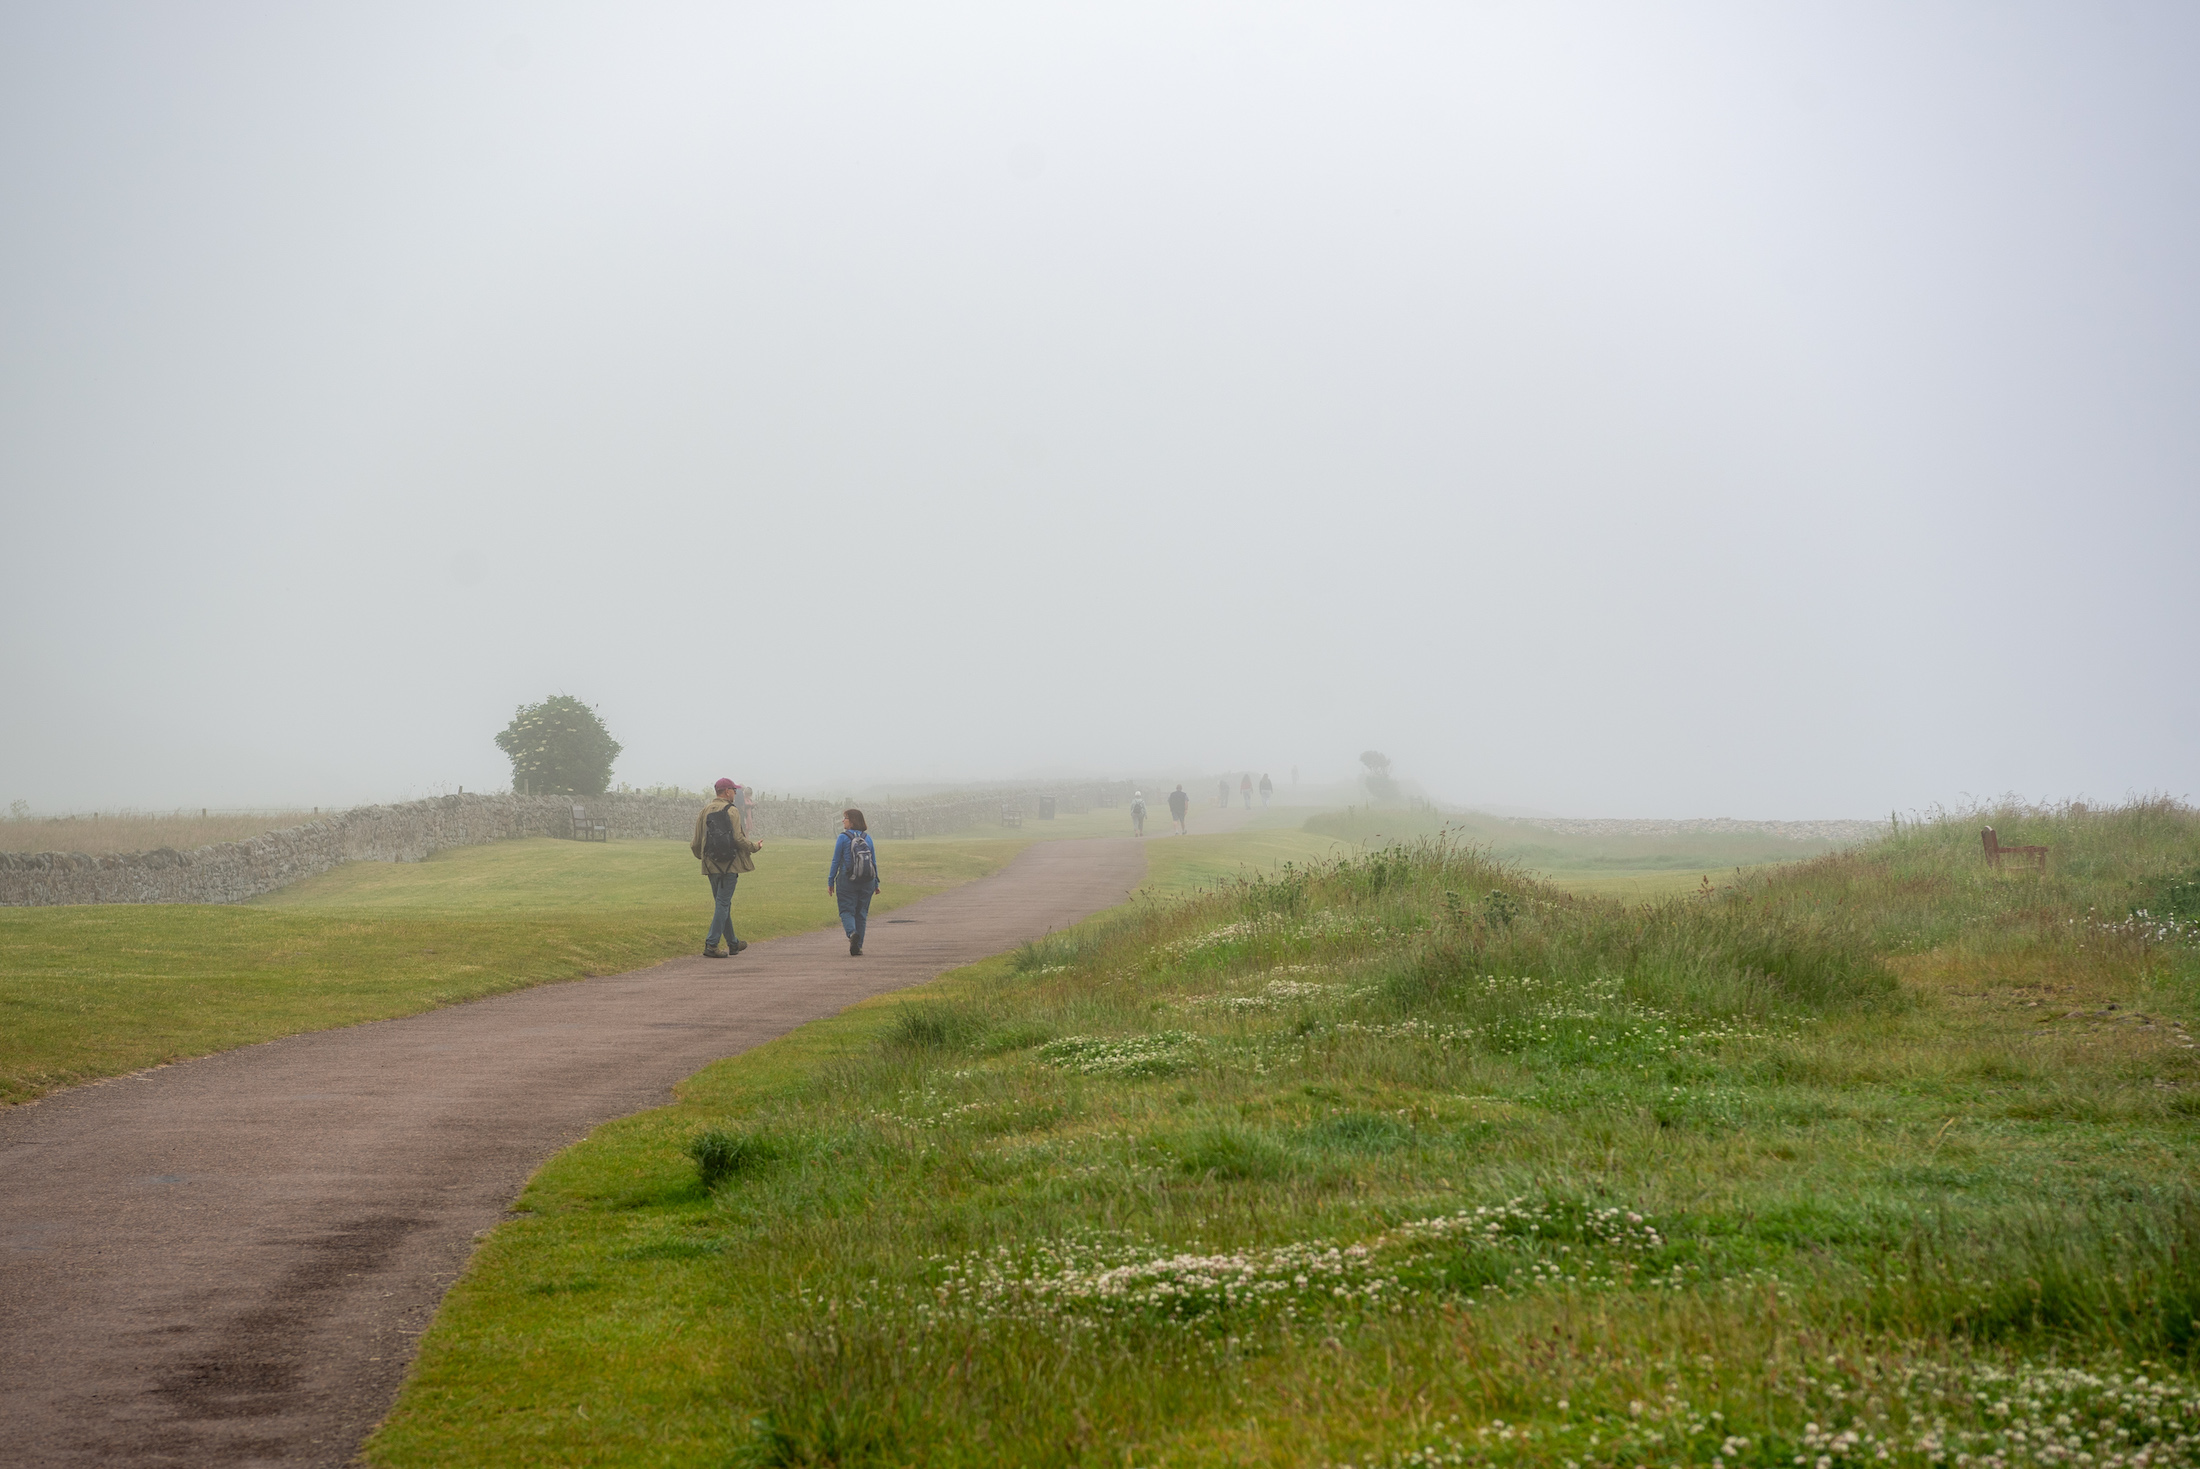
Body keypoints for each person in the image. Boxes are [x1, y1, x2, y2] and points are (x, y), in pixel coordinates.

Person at [691, 778, 761, 957]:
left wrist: (704, 858)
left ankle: (733, 943)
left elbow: (696, 842)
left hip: (710, 865)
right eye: (733, 790)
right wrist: (754, 847)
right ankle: (711, 944)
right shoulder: (732, 811)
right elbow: (738, 838)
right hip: (730, 864)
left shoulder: (705, 810)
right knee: (723, 903)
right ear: (726, 791)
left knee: (722, 904)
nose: (736, 793)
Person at [828, 807, 881, 956]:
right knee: (861, 913)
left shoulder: (843, 838)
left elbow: (836, 860)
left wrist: (831, 881)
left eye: (845, 818)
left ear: (851, 821)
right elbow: (873, 862)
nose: (843, 821)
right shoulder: (867, 838)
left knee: (846, 910)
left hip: (847, 879)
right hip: (867, 880)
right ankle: (858, 946)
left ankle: (852, 934)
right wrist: (876, 883)